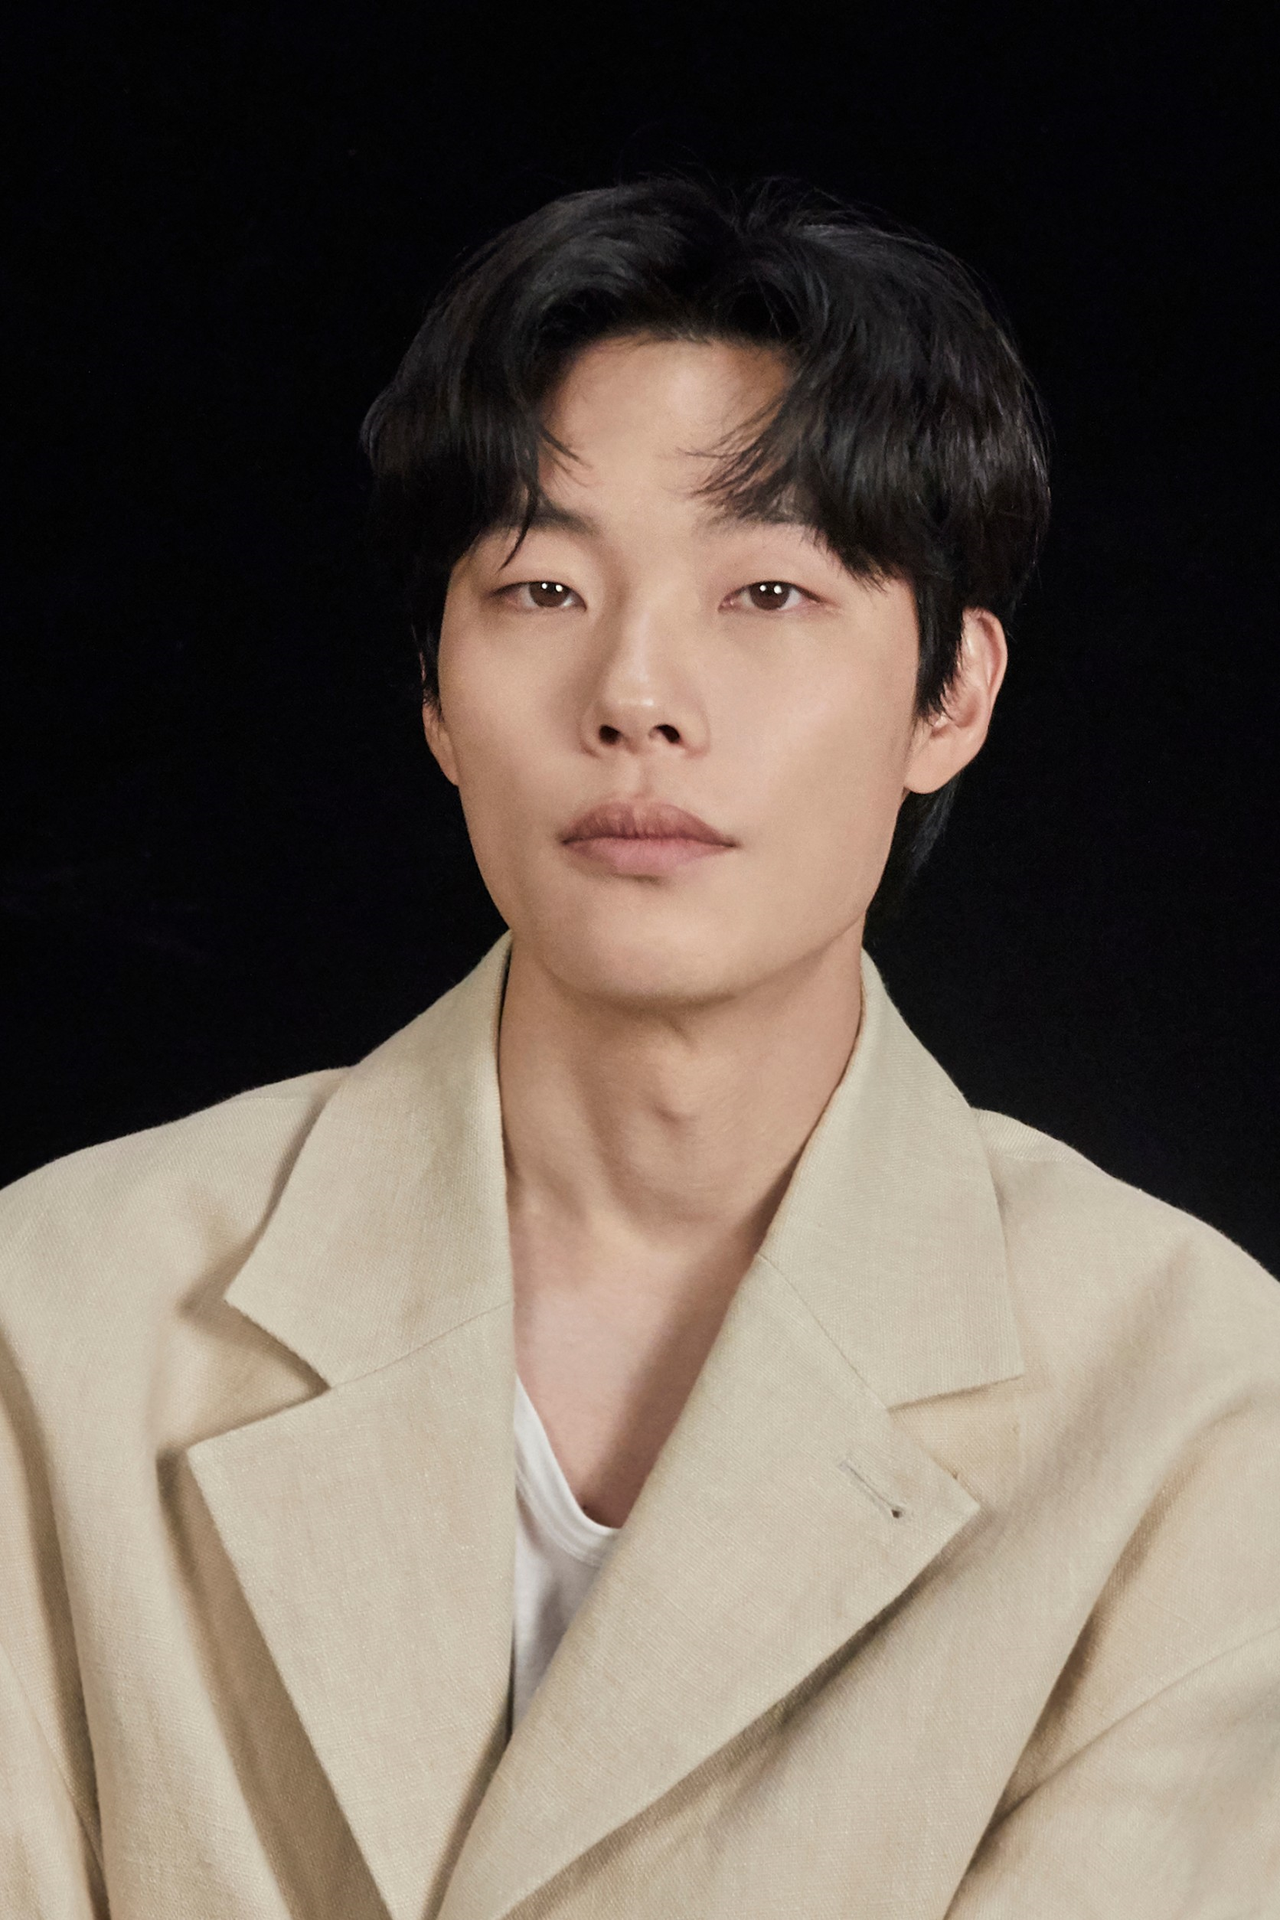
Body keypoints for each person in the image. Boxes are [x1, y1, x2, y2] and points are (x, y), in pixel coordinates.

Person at [1, 175, 1277, 1920]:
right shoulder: (60, 1310)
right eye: (542, 587)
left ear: (951, 697)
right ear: (436, 697)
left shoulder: (1195, 1396)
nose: (636, 695)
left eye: (769, 592)